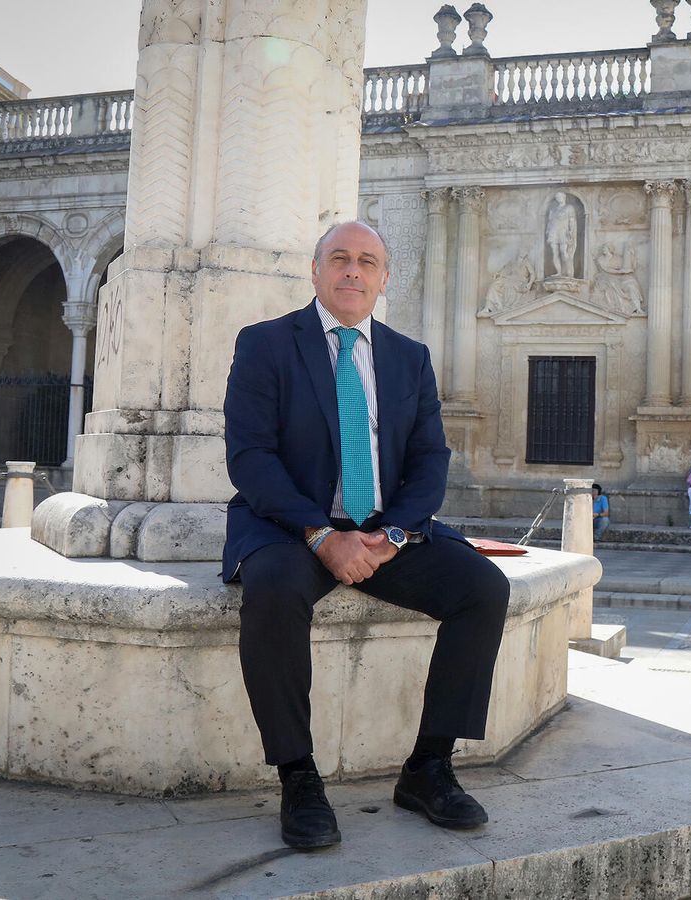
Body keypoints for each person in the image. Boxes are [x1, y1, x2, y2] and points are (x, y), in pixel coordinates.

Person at [223, 221, 511, 850]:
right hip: (291, 527)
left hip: (386, 532)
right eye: (340, 259)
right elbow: (250, 458)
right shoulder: (266, 345)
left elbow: (431, 460)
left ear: (384, 278)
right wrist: (319, 534)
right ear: (317, 270)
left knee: (482, 589)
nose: (353, 271)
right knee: (270, 589)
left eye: (367, 261)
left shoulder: (410, 357)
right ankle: (298, 775)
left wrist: (398, 536)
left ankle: (429, 766)